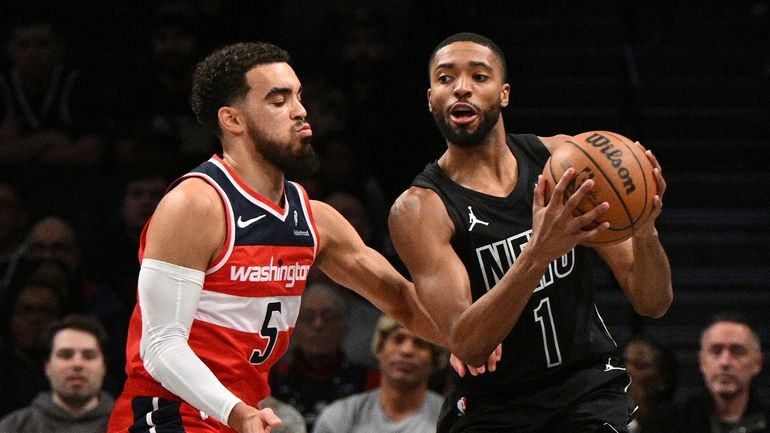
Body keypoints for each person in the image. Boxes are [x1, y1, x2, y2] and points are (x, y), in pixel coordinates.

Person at [106, 41, 446, 433]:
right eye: (278, 100)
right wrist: (236, 411)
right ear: (233, 120)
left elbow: (404, 301)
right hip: (168, 413)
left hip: (241, 413)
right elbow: (160, 346)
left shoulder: (314, 219)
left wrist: (473, 343)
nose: (300, 110)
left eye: (298, 97)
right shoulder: (195, 204)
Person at [388, 32, 673, 432]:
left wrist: (644, 233)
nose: (462, 87)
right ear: (431, 98)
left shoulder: (563, 163)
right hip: (493, 406)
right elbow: (467, 343)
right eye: (446, 78)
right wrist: (538, 253)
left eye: (479, 76)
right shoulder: (420, 210)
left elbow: (653, 302)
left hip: (586, 390)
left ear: (504, 94)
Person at [269, 283, 376, 431]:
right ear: (293, 327)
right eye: (308, 317)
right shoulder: (272, 380)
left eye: (328, 316)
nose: (318, 324)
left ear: (344, 326)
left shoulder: (369, 380)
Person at [312, 315, 446, 433]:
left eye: (420, 343)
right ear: (379, 349)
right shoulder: (339, 416)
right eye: (398, 339)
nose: (407, 350)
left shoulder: (450, 419)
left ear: (435, 360)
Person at [646, 312, 769, 433]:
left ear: (758, 363)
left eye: (737, 351)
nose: (725, 362)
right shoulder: (668, 423)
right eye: (716, 351)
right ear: (702, 361)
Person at [0, 314, 114, 433]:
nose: (77, 364)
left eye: (89, 356)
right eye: (65, 355)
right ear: (47, 366)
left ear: (104, 366)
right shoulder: (13, 427)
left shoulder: (129, 426)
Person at [623, 335, 678, 432]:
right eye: (622, 364)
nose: (627, 371)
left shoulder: (682, 422)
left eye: (640, 365)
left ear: (663, 379)